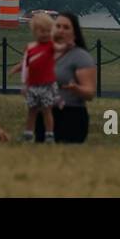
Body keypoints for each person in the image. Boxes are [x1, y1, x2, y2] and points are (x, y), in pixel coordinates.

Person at [34, 11, 97, 144]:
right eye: (58, 26)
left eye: (66, 27)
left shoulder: (80, 57)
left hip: (70, 114)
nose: (61, 31)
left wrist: (76, 89)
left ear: (74, 33)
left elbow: (90, 92)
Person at [11, 12, 58, 142]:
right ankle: (28, 134)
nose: (45, 34)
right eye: (42, 31)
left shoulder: (52, 47)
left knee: (47, 110)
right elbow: (26, 64)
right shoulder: (30, 48)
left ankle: (49, 134)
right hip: (32, 84)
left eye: (48, 31)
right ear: (34, 32)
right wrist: (19, 72)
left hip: (47, 84)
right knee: (31, 110)